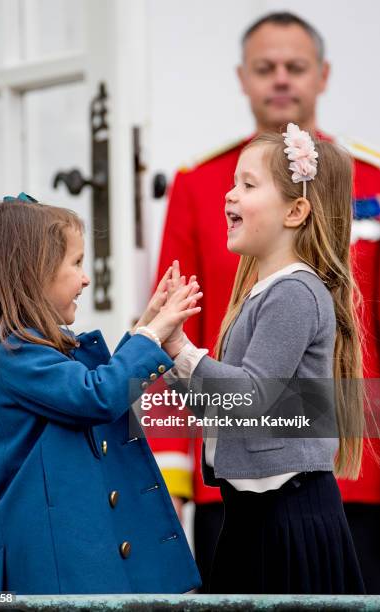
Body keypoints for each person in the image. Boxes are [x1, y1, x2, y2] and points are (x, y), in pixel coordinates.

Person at [151, 11, 380, 593]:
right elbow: (180, 321)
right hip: (233, 479)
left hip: (355, 473)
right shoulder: (199, 184)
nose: (280, 79)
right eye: (265, 68)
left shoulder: (372, 179)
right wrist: (171, 477)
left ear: (322, 75)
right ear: (243, 78)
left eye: (295, 67)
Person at [0, 193, 202, 595]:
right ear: (33, 272)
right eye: (76, 263)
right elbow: (95, 395)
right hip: (52, 565)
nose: (86, 278)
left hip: (68, 557)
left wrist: (146, 326)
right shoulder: (14, 350)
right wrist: (151, 336)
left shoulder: (33, 348)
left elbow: (91, 389)